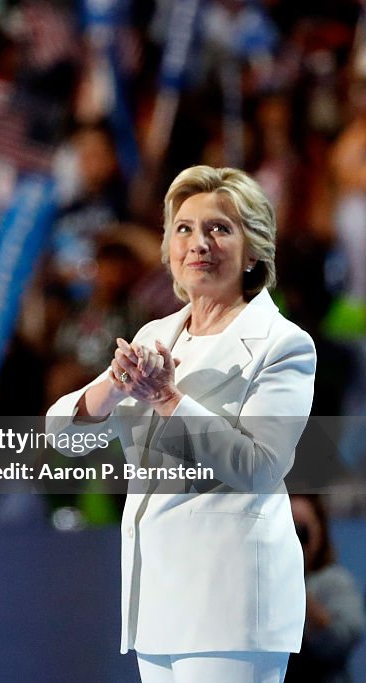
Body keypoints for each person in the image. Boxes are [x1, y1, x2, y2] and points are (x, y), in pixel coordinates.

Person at [46, 165, 317, 682]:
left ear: (254, 249)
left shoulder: (283, 345)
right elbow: (63, 436)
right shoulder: (157, 334)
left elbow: (260, 466)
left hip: (230, 600)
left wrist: (168, 399)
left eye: (220, 228)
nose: (199, 243)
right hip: (157, 600)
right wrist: (113, 387)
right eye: (184, 229)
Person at [286, 494, 365, 683]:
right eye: (288, 526)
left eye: (302, 528)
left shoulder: (334, 582)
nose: (296, 536)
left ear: (320, 530)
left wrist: (295, 591)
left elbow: (343, 640)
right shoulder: (258, 586)